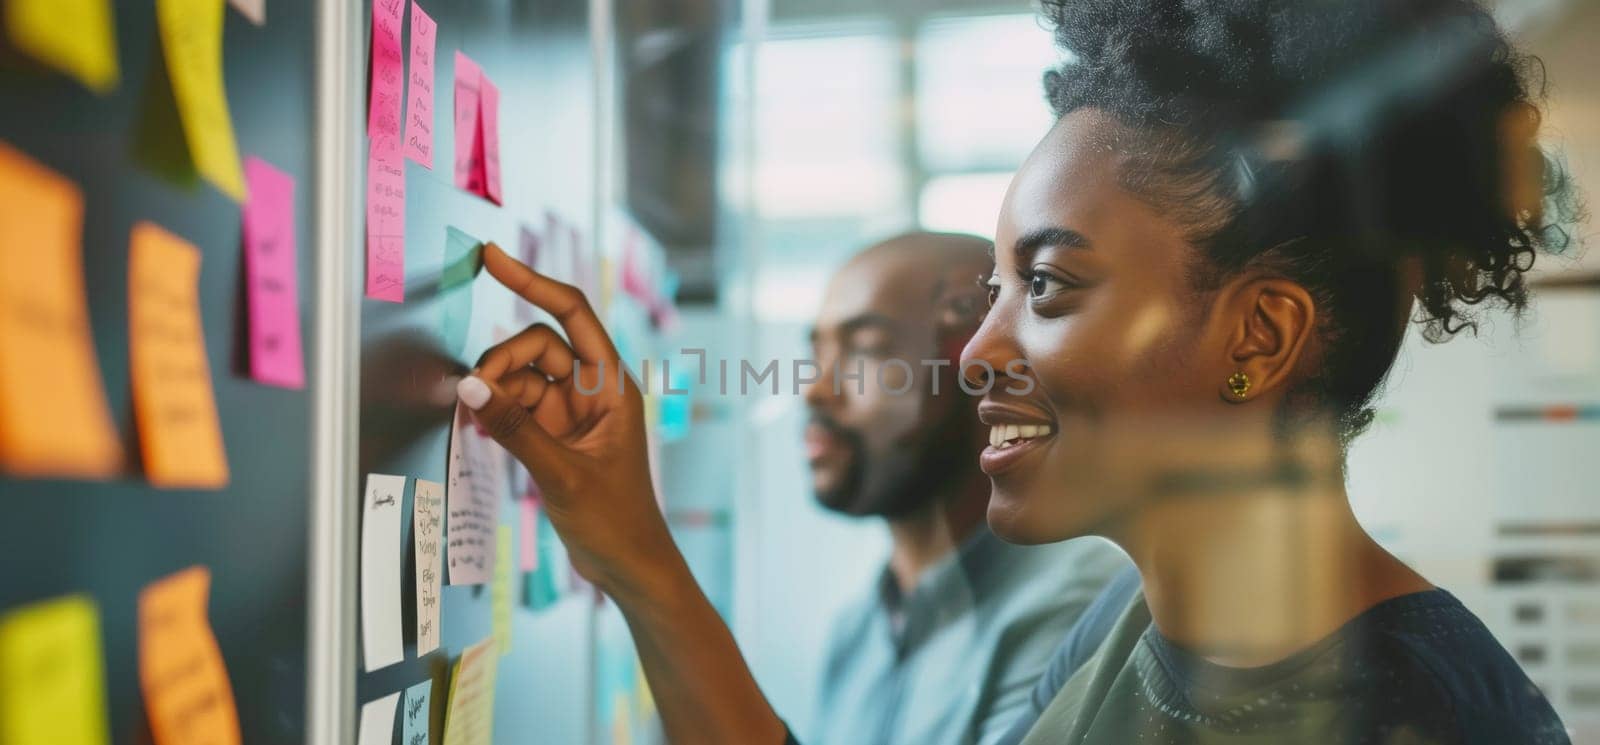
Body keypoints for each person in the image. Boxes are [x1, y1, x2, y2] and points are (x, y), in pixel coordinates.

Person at [449, 0, 1582, 741]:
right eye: (991, 291)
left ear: (1257, 338)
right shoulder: (1130, 633)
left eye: (1044, 288)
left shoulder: (1412, 717)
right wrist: (633, 551)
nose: (976, 353)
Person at [802, 233, 1127, 745]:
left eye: (864, 350)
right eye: (817, 350)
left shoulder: (1077, 603)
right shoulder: (856, 630)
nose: (815, 388)